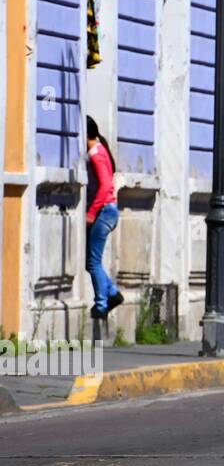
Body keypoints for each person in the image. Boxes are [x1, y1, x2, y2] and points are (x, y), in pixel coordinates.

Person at [85, 117, 124, 320]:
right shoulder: (101, 150)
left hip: (104, 212)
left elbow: (105, 185)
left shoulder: (96, 154)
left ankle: (101, 304)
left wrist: (91, 213)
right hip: (108, 211)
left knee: (93, 263)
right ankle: (112, 293)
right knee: (90, 262)